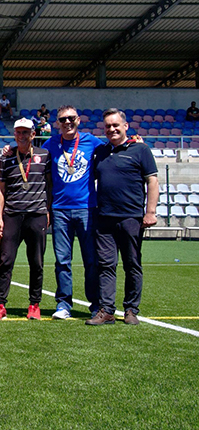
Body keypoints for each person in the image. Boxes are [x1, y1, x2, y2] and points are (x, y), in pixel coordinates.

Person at [87, 108, 158, 326]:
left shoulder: (141, 150)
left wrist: (150, 212)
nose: (112, 129)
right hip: (104, 218)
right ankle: (107, 310)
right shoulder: (100, 152)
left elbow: (152, 181)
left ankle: (131, 309)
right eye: (108, 126)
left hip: (132, 218)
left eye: (116, 125)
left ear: (125, 126)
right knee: (106, 265)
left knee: (132, 264)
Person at [42, 106, 105, 320]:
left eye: (71, 118)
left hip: (87, 208)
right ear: (57, 123)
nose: (67, 122)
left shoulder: (92, 142)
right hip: (60, 210)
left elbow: (113, 152)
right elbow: (33, 162)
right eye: (63, 119)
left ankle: (96, 304)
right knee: (62, 260)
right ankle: (63, 304)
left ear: (78, 119)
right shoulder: (49, 145)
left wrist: (134, 144)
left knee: (91, 259)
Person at [0, 118, 52, 321]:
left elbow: (49, 186)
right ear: (14, 134)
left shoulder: (44, 155)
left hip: (36, 214)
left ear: (33, 134)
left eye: (26, 132)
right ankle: (0, 305)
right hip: (12, 214)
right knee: (6, 261)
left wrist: (48, 211)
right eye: (18, 132)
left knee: (36, 262)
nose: (22, 136)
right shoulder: (6, 158)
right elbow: (0, 189)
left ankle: (34, 304)